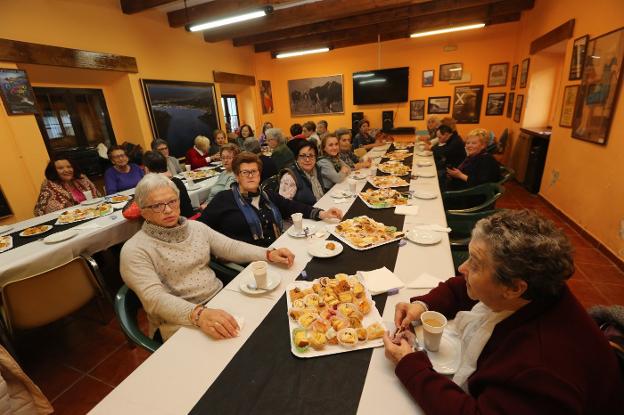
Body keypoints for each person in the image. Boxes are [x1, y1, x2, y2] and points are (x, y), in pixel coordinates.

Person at [383, 209, 624, 414]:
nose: (462, 267)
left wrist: (410, 364)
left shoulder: (539, 371)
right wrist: (421, 306)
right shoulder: (537, 292)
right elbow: (462, 288)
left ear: (513, 287)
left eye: (475, 265)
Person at [120, 173, 295, 341]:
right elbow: (154, 299)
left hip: (220, 300)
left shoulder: (196, 228)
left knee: (275, 325)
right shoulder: (135, 250)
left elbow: (230, 246)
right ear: (144, 211)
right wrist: (199, 314)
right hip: (178, 321)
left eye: (172, 201)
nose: (168, 210)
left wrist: (268, 254)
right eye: (157, 206)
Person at [200, 152, 342, 247]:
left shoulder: (267, 196)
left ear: (259, 175)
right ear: (237, 176)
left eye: (254, 171)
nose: (251, 176)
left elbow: (293, 207)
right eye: (245, 172)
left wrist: (323, 213)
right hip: (249, 263)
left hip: (278, 248)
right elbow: (200, 229)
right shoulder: (223, 199)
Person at [34, 158, 101, 216]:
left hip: (94, 213)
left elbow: (98, 197)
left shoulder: (82, 179)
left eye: (69, 167)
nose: (66, 170)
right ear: (54, 171)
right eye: (60, 168)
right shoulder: (49, 187)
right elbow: (47, 213)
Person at [143, 151, 194, 218]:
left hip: (175, 224)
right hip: (190, 220)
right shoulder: (177, 181)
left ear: (146, 169)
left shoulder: (152, 188)